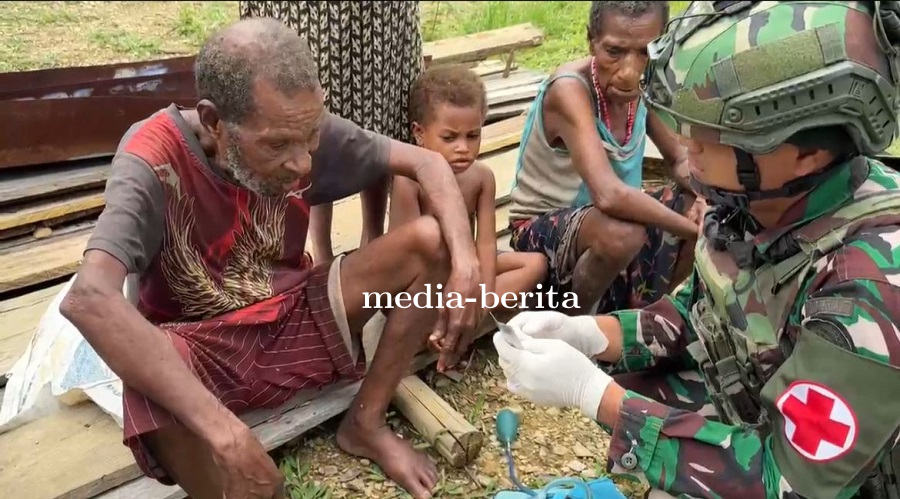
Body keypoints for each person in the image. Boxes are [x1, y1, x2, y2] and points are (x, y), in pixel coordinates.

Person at [58, 18, 481, 499]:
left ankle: (365, 424)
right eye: (278, 146)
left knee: (433, 241)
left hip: (292, 318)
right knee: (146, 378)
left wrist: (466, 264)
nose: (302, 162)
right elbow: (89, 298)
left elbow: (428, 162)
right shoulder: (151, 157)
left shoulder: (296, 125)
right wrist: (227, 433)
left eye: (311, 138)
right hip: (202, 353)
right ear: (214, 122)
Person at [493, 1, 900, 498]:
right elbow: (702, 313)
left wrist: (595, 396)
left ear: (807, 152)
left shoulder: (868, 287)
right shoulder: (756, 202)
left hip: (821, 479)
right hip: (759, 406)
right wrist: (585, 333)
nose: (688, 145)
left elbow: (789, 485)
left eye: (712, 134)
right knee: (647, 387)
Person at [507, 0, 705, 316]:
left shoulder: (646, 84)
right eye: (614, 52)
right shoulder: (570, 90)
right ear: (591, 41)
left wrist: (704, 201)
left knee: (704, 207)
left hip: (616, 223)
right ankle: (572, 332)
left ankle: (638, 321)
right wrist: (694, 231)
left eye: (645, 51)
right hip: (544, 231)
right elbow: (608, 196)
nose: (630, 71)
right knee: (624, 234)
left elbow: (680, 160)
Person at [239, 1, 424, 263]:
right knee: (307, 107)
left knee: (378, 103)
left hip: (380, 11)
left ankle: (373, 236)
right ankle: (322, 250)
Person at [390, 65, 548, 320]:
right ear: (419, 133)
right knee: (400, 305)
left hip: (468, 265)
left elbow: (485, 243)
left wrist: (480, 294)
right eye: (449, 138)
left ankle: (469, 313)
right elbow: (404, 257)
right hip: (422, 279)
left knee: (535, 265)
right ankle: (446, 317)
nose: (463, 148)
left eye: (473, 135)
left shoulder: (481, 177)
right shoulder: (408, 181)